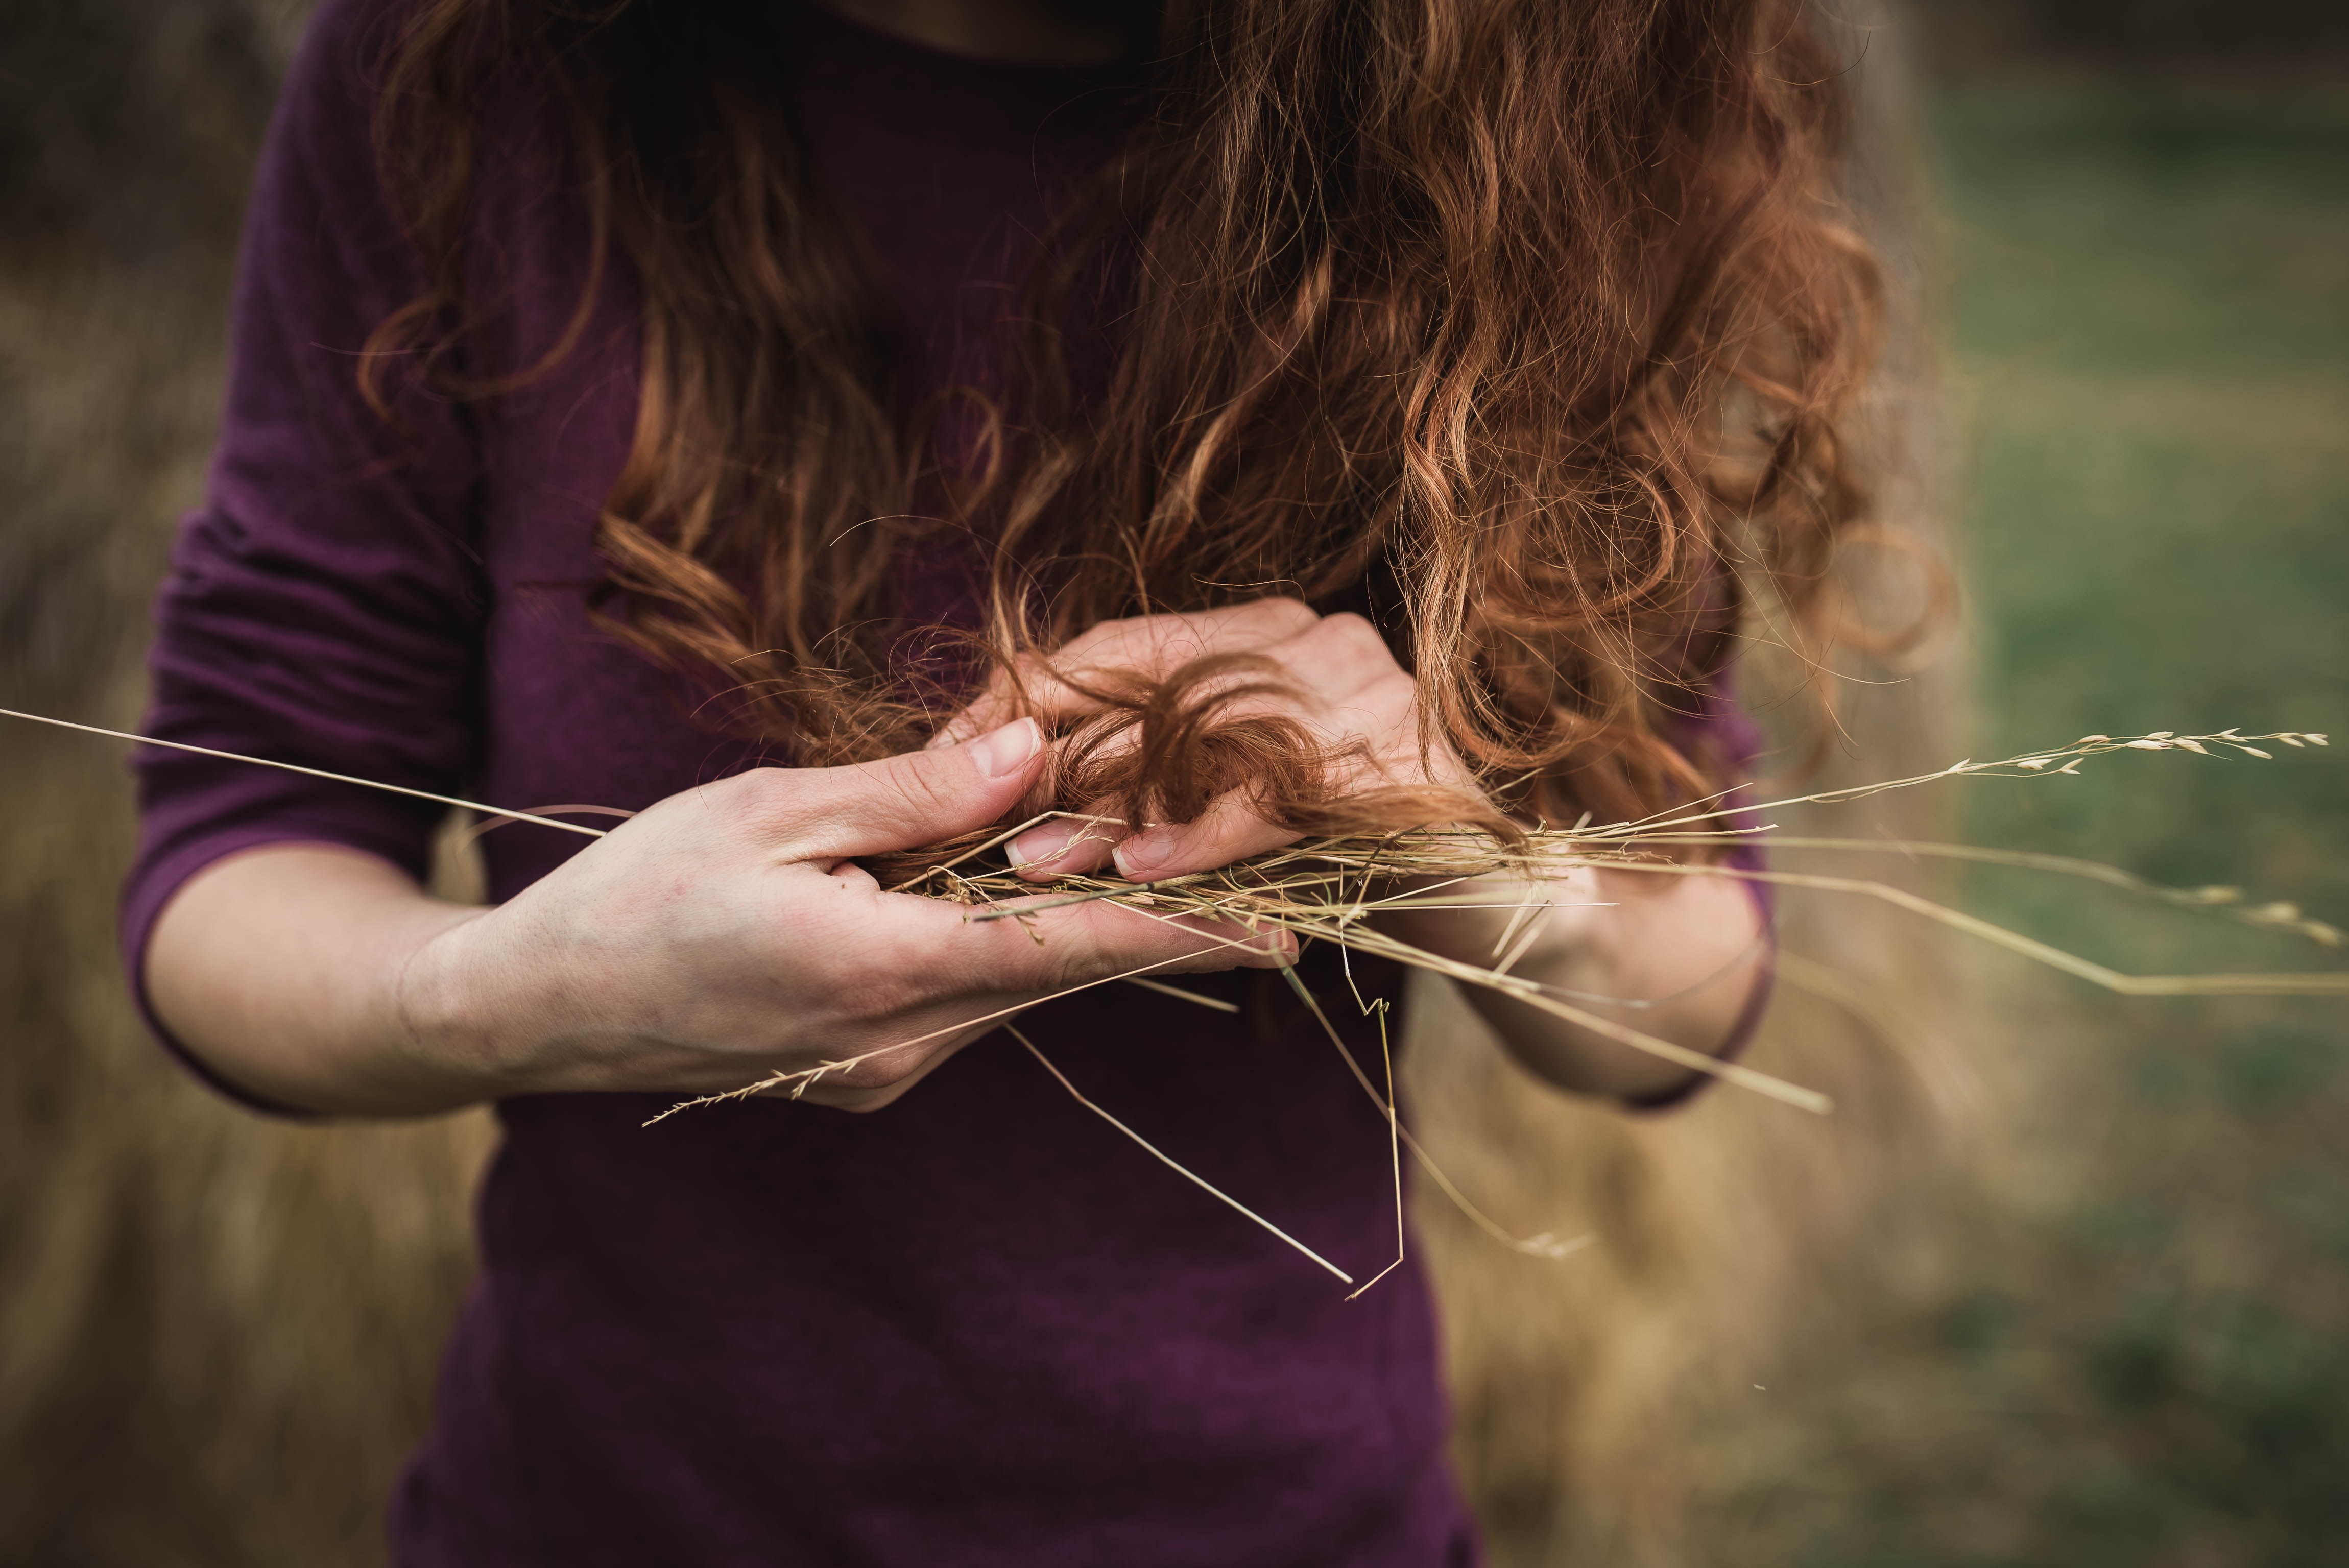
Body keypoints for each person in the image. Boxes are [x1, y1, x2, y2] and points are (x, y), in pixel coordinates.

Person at [125, 0, 1875, 1560]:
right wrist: (523, 992)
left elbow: (1685, 977)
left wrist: (1475, 851)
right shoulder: (469, 71)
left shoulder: (1513, 124)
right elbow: (232, 861)